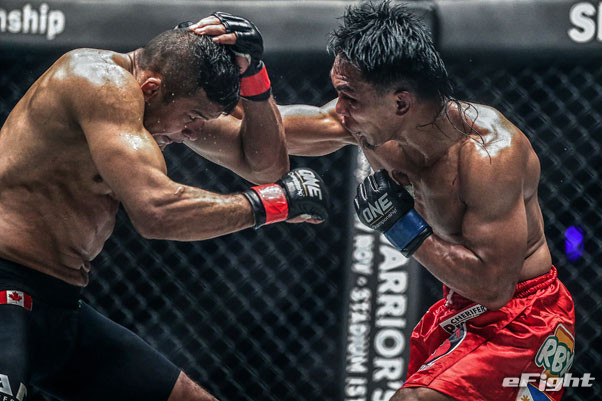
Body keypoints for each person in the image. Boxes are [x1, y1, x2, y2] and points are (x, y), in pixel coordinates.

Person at [0, 12, 329, 401]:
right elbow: (155, 211)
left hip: (58, 305)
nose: (192, 133)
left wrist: (255, 75)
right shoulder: (96, 80)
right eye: (192, 118)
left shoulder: (161, 103)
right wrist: (273, 204)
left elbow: (267, 167)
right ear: (152, 88)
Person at [272, 2, 576, 401]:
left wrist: (402, 228)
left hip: (524, 319)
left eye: (350, 98)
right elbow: (263, 134)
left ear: (401, 103)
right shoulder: (369, 125)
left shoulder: (488, 156)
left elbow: (494, 287)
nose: (339, 110)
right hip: (459, 309)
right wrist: (227, 93)